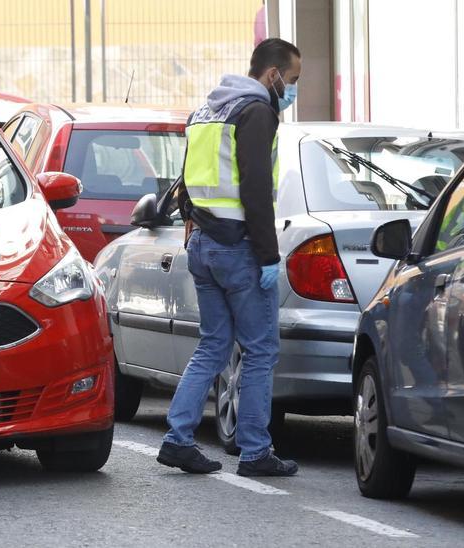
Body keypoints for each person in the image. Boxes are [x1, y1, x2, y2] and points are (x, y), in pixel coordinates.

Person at [156, 38, 301, 478]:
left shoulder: (206, 111)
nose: (292, 90)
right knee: (260, 350)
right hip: (238, 247)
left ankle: (178, 439)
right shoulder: (257, 113)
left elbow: (186, 180)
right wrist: (268, 255)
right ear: (272, 74)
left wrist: (192, 223)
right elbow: (256, 190)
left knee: (214, 345)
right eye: (292, 80)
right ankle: (255, 451)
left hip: (203, 243)